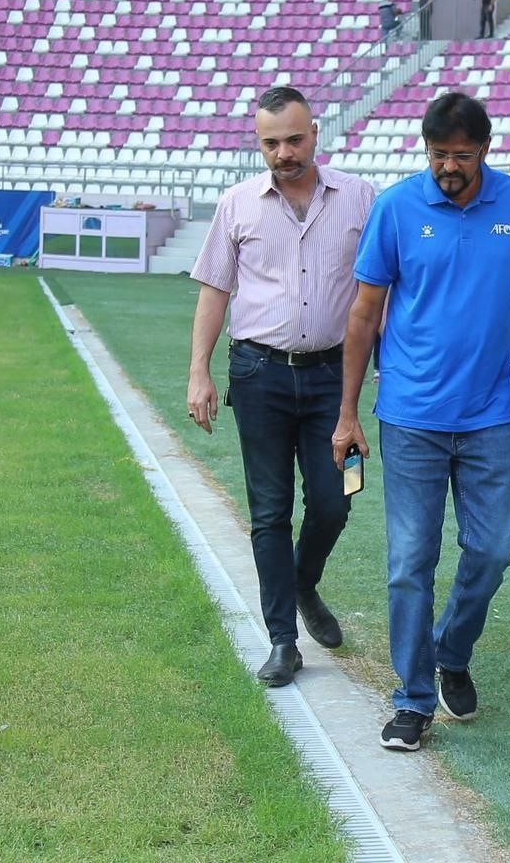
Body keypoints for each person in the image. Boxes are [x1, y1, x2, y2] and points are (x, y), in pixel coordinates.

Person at [331, 92, 510, 751]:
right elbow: (364, 313)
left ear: (485, 149)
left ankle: (451, 651)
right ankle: (413, 699)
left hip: (491, 415)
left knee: (493, 549)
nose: (448, 166)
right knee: (409, 562)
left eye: (460, 154)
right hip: (410, 417)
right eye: (437, 154)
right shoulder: (397, 207)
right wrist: (347, 413)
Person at [187, 85, 375, 687]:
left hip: (334, 379)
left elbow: (378, 292)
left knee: (339, 496)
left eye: (294, 139)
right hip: (257, 375)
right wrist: (199, 372)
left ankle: (302, 582)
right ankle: (282, 640)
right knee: (269, 511)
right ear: (258, 142)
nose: (283, 153)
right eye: (270, 143)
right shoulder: (237, 204)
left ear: (315, 133)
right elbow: (215, 289)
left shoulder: (359, 197)